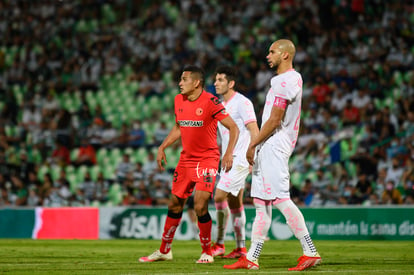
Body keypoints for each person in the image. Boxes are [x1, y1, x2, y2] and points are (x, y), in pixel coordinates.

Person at [224, 39, 321, 271]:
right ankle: (252, 257)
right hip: (268, 145)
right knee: (261, 203)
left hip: (275, 145)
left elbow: (275, 119)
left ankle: (310, 251)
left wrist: (252, 144)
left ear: (285, 55)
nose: (268, 55)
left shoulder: (286, 80)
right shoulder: (283, 80)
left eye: (272, 52)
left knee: (280, 199)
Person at [139, 65, 239, 264]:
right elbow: (179, 126)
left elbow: (233, 127)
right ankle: (164, 250)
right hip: (186, 160)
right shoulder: (178, 100)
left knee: (200, 205)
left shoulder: (211, 101)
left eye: (183, 79)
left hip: (207, 160)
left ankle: (207, 252)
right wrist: (162, 146)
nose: (179, 83)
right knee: (174, 203)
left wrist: (228, 153)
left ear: (196, 82)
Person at [210, 66, 259, 259]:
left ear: (231, 83)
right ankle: (240, 248)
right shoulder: (219, 104)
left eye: (221, 80)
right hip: (230, 158)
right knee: (234, 203)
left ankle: (220, 243)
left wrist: (253, 153)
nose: (216, 83)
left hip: (239, 159)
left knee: (218, 197)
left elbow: (254, 129)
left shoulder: (243, 103)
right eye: (215, 79)